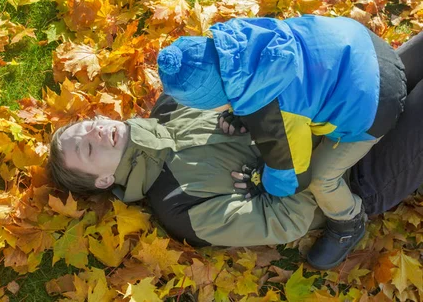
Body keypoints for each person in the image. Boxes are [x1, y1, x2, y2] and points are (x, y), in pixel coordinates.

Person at [46, 32, 423, 268]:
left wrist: (249, 115)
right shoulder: (179, 206)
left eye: (86, 125)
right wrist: (281, 157)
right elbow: (288, 220)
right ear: (105, 179)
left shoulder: (171, 104)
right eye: (87, 148)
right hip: (353, 175)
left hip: (333, 106)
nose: (94, 130)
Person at [156, 15, 407, 269]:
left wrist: (262, 180)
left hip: (375, 103)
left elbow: (295, 176)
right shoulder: (240, 38)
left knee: (323, 179)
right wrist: (241, 111)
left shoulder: (275, 115)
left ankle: (349, 222)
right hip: (362, 44)